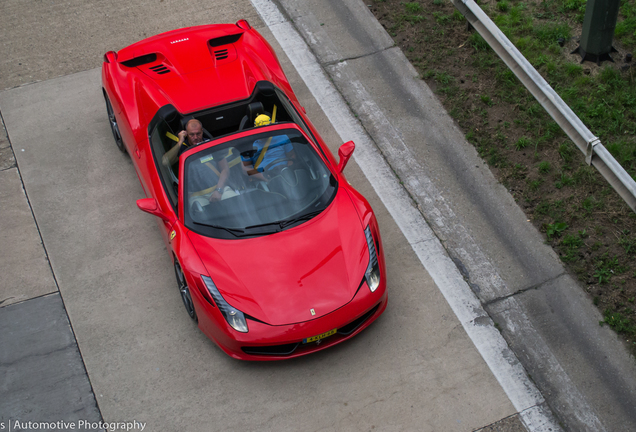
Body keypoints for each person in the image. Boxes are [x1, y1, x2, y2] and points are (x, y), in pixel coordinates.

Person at [163, 119, 230, 202]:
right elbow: (165, 162)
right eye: (191, 134)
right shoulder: (183, 148)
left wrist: (219, 190)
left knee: (233, 199)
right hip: (196, 195)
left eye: (198, 134)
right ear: (186, 133)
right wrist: (180, 141)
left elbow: (225, 169)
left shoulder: (210, 145)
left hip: (218, 188)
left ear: (202, 131)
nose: (195, 137)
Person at [241, 114, 295, 180]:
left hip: (285, 172)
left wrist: (288, 169)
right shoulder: (249, 146)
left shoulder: (282, 137)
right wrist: (263, 177)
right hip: (263, 178)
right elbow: (245, 169)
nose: (264, 134)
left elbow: (291, 156)